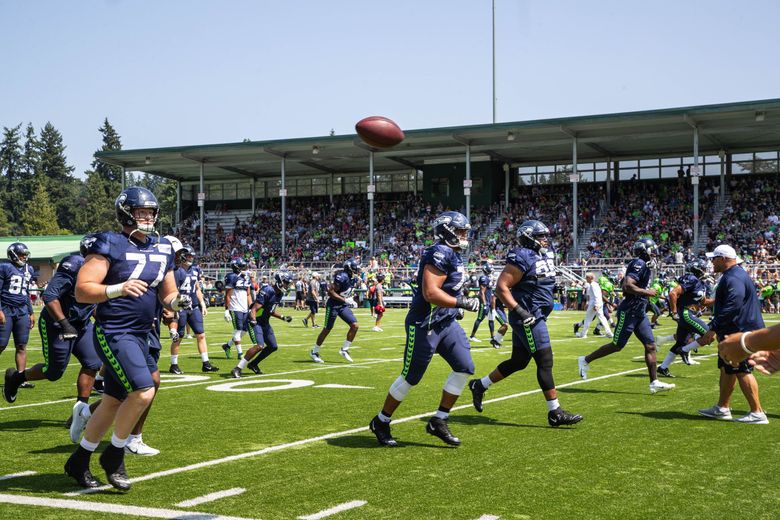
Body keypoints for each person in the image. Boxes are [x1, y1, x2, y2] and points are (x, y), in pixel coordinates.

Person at [64, 187, 191, 490]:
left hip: (142, 333)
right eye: (141, 212)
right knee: (144, 391)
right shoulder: (110, 243)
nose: (148, 217)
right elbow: (83, 290)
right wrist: (117, 288)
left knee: (111, 401)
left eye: (151, 212)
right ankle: (115, 454)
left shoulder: (162, 248)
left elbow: (168, 292)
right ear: (126, 213)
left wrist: (176, 303)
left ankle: (79, 460)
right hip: (114, 332)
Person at [369, 211, 480, 447]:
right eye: (460, 231)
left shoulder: (454, 254)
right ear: (448, 231)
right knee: (412, 377)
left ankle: (439, 420)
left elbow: (448, 289)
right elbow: (431, 293)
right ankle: (381, 421)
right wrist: (461, 303)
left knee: (465, 366)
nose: (464, 235)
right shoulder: (439, 252)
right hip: (425, 324)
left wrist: (456, 306)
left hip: (446, 322)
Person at [468, 220, 582, 427]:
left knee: (519, 361)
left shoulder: (542, 255)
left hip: (536, 313)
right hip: (529, 316)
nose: (545, 239)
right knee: (545, 360)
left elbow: (536, 279)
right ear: (529, 237)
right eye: (540, 236)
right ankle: (554, 412)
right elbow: (501, 287)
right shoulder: (521, 255)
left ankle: (479, 385)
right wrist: (520, 311)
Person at [3, 237, 101, 447]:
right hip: (57, 323)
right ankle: (17, 378)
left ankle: (80, 412)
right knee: (53, 372)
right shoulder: (74, 265)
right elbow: (49, 295)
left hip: (82, 323)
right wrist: (64, 323)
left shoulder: (104, 269)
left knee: (92, 363)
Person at [577, 238, 676, 394]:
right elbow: (627, 286)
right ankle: (585, 359)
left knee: (650, 346)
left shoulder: (645, 265)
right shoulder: (639, 263)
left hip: (639, 312)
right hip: (629, 311)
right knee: (617, 345)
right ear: (645, 251)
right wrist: (647, 292)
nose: (655, 254)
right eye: (653, 250)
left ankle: (654, 382)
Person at [697, 244, 768, 424]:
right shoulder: (735, 274)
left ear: (723, 259)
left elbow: (734, 304)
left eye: (714, 258)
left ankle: (757, 412)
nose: (711, 262)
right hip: (735, 329)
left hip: (739, 330)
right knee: (727, 368)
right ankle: (722, 408)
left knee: (740, 368)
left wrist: (713, 327)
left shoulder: (733, 277)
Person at [231, 271, 294, 377]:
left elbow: (270, 311)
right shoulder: (267, 290)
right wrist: (253, 321)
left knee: (273, 346)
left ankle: (253, 364)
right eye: (286, 283)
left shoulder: (279, 293)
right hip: (255, 321)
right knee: (259, 346)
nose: (287, 285)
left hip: (264, 322)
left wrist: (283, 317)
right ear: (279, 281)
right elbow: (254, 309)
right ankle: (237, 368)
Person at [656, 259, 713, 377]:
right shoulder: (692, 279)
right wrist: (674, 312)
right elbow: (673, 293)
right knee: (709, 336)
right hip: (686, 313)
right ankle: (685, 350)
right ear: (697, 269)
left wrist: (720, 299)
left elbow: (704, 302)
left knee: (680, 342)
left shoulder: (700, 283)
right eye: (703, 268)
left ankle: (663, 367)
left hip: (689, 314)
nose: (705, 270)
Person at [169, 244, 219, 374]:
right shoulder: (176, 271)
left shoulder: (195, 269)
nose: (191, 258)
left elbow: (197, 288)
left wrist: (202, 304)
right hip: (180, 306)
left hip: (193, 306)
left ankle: (206, 363)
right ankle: (173, 364)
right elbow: (172, 290)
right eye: (189, 255)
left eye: (192, 255)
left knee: (201, 335)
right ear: (183, 255)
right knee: (178, 336)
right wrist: (174, 308)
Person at [310, 259, 361, 363]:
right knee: (327, 329)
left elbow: (346, 292)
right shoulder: (342, 277)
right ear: (349, 268)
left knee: (355, 325)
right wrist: (346, 300)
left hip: (342, 305)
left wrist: (350, 300)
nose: (357, 270)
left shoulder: (352, 278)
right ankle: (314, 351)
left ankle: (344, 349)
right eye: (355, 268)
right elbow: (330, 292)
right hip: (333, 305)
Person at [0, 242, 36, 390]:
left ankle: (21, 378)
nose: (24, 257)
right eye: (22, 254)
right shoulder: (5, 267)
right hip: (6, 308)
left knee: (21, 345)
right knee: (1, 344)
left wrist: (31, 312)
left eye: (25, 254)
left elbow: (25, 292)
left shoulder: (29, 269)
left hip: (21, 311)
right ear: (13, 254)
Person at [221, 258, 252, 360]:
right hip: (235, 307)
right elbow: (228, 295)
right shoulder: (231, 277)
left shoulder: (246, 277)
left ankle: (228, 346)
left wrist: (251, 307)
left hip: (244, 308)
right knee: (238, 330)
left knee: (244, 330)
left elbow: (248, 294)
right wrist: (226, 310)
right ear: (236, 267)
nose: (244, 268)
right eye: (242, 266)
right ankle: (240, 353)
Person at [574, 272, 613, 339]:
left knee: (588, 319)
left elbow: (596, 295)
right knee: (602, 318)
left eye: (587, 277)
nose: (586, 278)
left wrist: (596, 305)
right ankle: (609, 333)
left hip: (594, 303)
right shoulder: (594, 284)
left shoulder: (593, 285)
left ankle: (583, 334)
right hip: (598, 303)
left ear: (590, 278)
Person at [468, 262, 493, 343]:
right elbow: (482, 292)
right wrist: (484, 303)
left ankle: (493, 337)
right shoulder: (484, 278)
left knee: (491, 319)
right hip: (484, 302)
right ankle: (472, 336)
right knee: (479, 318)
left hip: (488, 302)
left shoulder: (487, 278)